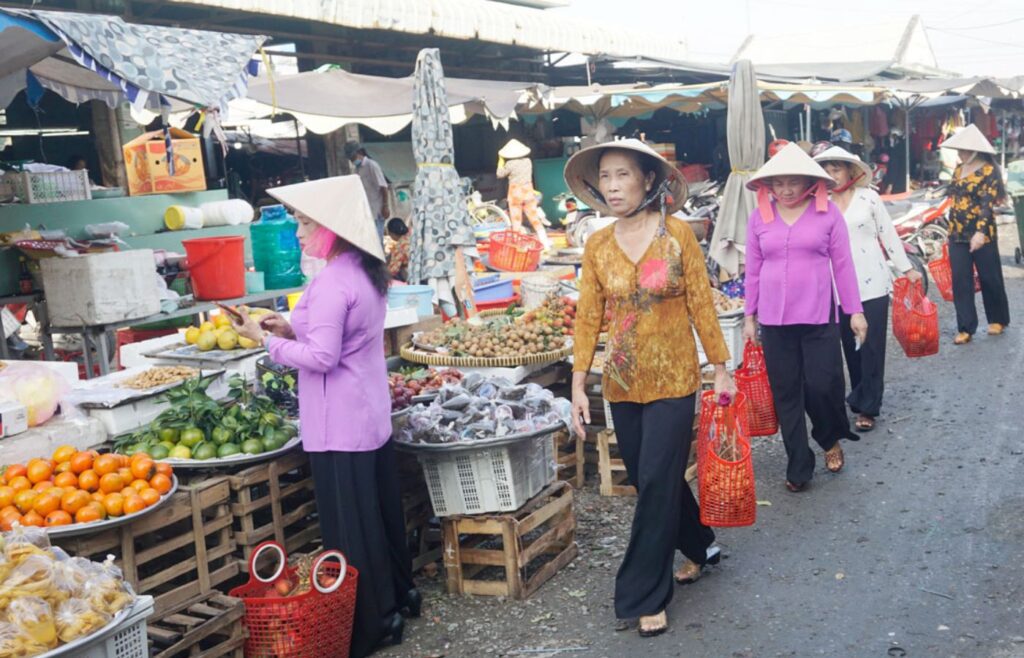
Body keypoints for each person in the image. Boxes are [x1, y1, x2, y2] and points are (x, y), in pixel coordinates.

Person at [228, 176, 416, 658]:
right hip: (368, 415)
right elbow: (342, 340)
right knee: (380, 516)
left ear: (333, 228)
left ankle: (370, 624)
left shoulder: (333, 281)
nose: (298, 232)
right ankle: (397, 600)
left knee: (351, 530)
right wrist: (290, 326)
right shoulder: (363, 270)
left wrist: (262, 339)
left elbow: (323, 358)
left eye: (306, 222)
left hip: (339, 424)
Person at [566, 139, 736, 638]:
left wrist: (720, 368)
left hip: (675, 378)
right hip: (620, 382)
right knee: (647, 477)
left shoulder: (676, 235)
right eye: (605, 177)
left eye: (622, 175)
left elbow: (702, 306)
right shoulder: (597, 245)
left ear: (647, 181)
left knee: (659, 481)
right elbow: (588, 319)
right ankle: (701, 542)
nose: (612, 186)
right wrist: (579, 384)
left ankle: (646, 593)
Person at [742, 143, 867, 492]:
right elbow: (752, 269)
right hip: (773, 320)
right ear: (768, 186)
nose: (785, 190)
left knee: (822, 384)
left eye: (792, 182)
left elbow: (843, 266)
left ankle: (828, 438)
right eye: (778, 183)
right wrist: (749, 316)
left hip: (817, 316)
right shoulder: (759, 218)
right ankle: (799, 465)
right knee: (786, 394)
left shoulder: (828, 216)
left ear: (809, 182)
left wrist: (854, 311)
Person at [814, 146, 923, 432]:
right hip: (835, 286)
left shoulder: (869, 198)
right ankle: (860, 394)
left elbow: (888, 235)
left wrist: (907, 269)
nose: (831, 174)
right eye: (826, 169)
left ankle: (869, 406)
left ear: (850, 171)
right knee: (850, 345)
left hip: (873, 281)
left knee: (872, 346)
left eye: (836, 168)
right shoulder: (817, 203)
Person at [939, 125, 1011, 344]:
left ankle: (997, 319)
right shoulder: (959, 170)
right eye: (959, 150)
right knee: (961, 281)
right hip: (957, 233)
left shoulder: (989, 171)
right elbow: (952, 196)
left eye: (964, 150)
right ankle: (965, 327)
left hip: (983, 233)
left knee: (990, 278)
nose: (960, 153)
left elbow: (987, 205)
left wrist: (979, 233)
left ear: (974, 150)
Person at [496, 138, 552, 249]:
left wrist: (500, 161)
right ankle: (545, 244)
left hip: (515, 194)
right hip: (528, 192)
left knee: (516, 221)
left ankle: (517, 247)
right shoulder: (528, 161)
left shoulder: (510, 164)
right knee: (535, 219)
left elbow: (499, 174)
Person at [345, 141, 390, 241]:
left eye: (353, 157)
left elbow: (383, 187)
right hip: (366, 211)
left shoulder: (371, 165)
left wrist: (385, 206)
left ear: (360, 152)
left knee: (377, 241)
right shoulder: (357, 170)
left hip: (377, 210)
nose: (352, 160)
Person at [385, 217, 411, 282]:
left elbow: (393, 270)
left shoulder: (400, 246)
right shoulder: (412, 234)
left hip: (412, 273)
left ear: (392, 233)